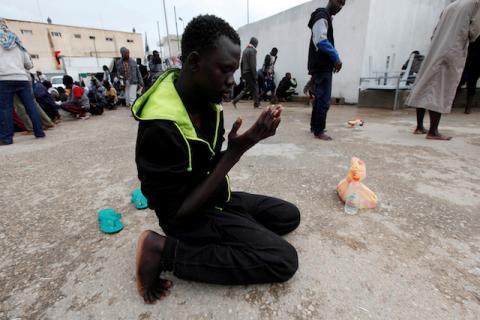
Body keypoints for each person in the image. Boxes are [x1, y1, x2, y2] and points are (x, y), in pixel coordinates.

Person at [132, 15, 300, 304]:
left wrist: (243, 142)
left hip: (212, 194)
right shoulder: (160, 128)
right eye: (225, 70)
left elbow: (207, 166)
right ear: (195, 62)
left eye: (234, 71)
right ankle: (163, 250)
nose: (232, 82)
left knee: (287, 215)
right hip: (185, 217)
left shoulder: (209, 105)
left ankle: (233, 230)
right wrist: (237, 151)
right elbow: (176, 214)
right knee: (283, 259)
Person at [406, 0, 480, 140]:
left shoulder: (452, 5)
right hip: (453, 48)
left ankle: (419, 126)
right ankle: (433, 131)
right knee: (441, 87)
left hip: (436, 47)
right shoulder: (477, 4)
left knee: (425, 83)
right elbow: (474, 31)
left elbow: (435, 30)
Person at [0, 18, 45, 145]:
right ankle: (39, 132)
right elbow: (28, 64)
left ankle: (7, 138)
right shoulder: (17, 40)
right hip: (22, 78)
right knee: (30, 106)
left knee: (5, 109)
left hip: (3, 79)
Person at [307, 0, 345, 141]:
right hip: (321, 67)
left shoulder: (324, 17)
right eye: (339, 2)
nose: (340, 6)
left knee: (319, 98)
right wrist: (336, 58)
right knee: (323, 100)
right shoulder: (322, 16)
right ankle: (319, 130)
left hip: (321, 66)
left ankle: (315, 127)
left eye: (343, 5)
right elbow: (321, 40)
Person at [232, 37, 260, 108]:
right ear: (254, 43)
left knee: (246, 88)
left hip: (245, 72)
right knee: (255, 87)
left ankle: (235, 101)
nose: (257, 45)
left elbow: (241, 63)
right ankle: (256, 104)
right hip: (250, 72)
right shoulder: (252, 51)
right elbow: (252, 65)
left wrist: (242, 74)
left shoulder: (245, 50)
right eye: (257, 43)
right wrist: (255, 76)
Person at [460, 37, 480, 114]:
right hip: (466, 58)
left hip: (475, 60)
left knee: (472, 82)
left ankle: (468, 107)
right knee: (459, 81)